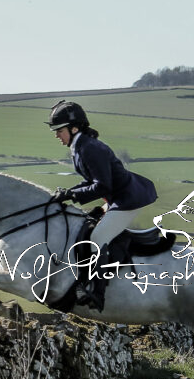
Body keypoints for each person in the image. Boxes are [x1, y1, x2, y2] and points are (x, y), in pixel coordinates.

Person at [46, 99, 157, 310]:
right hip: (117, 198)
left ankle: (97, 292)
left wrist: (73, 194)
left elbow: (102, 186)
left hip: (127, 199)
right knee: (87, 227)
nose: (57, 135)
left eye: (59, 130)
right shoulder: (80, 146)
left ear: (74, 128)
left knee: (98, 237)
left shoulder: (90, 148)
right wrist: (69, 193)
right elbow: (91, 182)